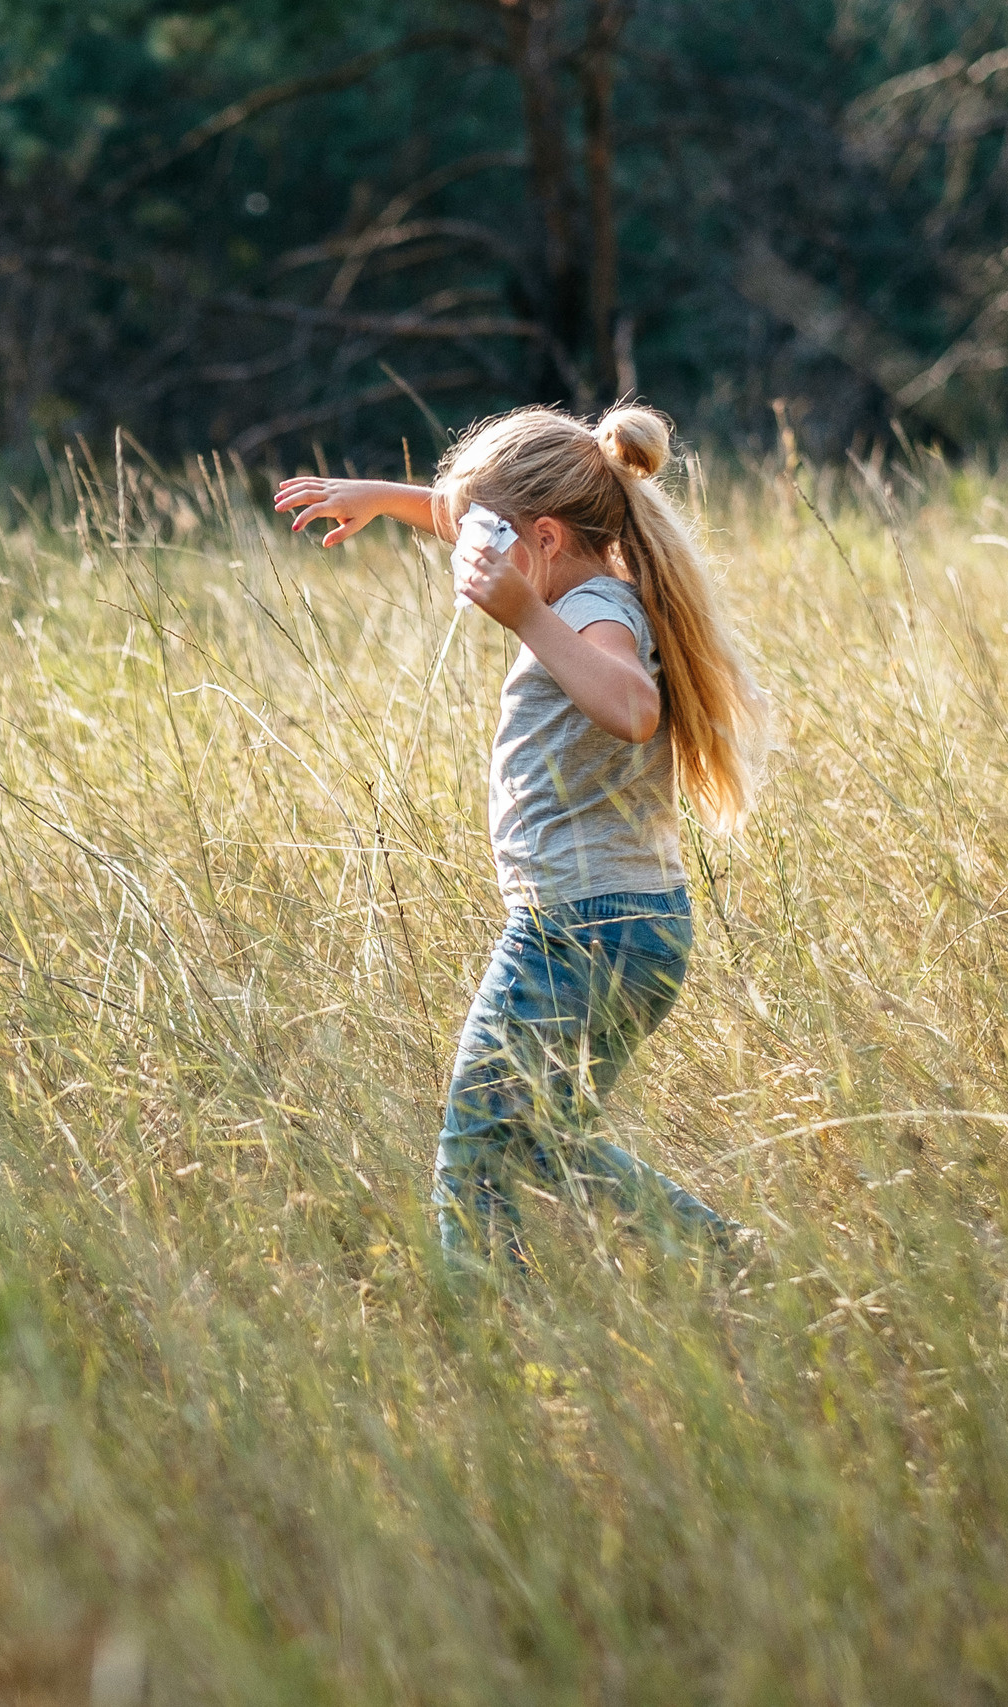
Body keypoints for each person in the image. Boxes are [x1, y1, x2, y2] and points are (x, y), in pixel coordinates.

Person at [276, 405, 766, 1272]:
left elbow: (631, 707)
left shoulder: (593, 608)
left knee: (474, 1156)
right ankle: (725, 1260)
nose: (473, 557)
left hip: (576, 931)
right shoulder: (581, 571)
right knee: (544, 1145)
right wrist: (387, 500)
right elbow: (496, 531)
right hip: (633, 924)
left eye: (489, 540)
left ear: (542, 536)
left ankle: (488, 1329)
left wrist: (523, 617)